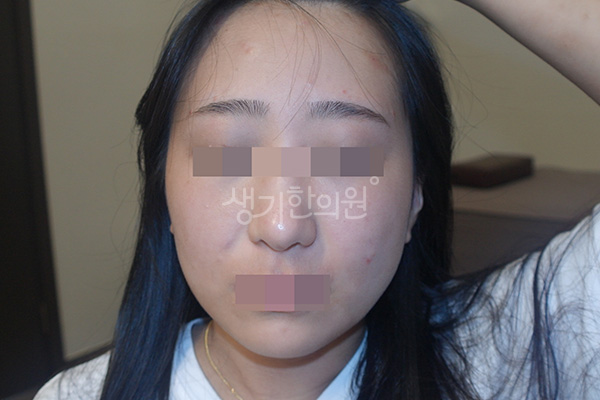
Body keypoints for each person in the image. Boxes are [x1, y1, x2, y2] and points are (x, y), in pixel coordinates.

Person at [34, 0, 600, 399]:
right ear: (164, 192)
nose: (282, 226)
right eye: (227, 156)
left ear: (416, 196)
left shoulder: (516, 356)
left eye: (344, 158)